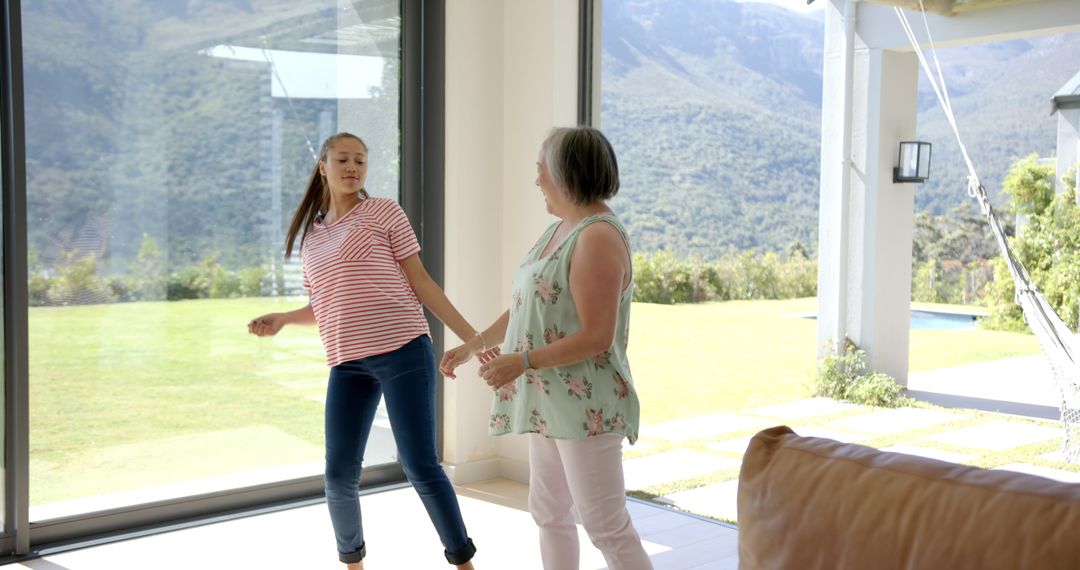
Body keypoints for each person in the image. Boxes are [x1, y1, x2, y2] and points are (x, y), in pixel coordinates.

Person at [248, 132, 479, 569]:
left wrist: (473, 337)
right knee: (338, 476)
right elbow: (323, 305)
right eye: (343, 160)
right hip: (347, 363)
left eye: (360, 160)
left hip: (404, 351)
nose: (352, 167)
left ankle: (463, 562)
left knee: (420, 466)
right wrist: (282, 319)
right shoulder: (312, 237)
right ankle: (353, 564)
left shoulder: (383, 212)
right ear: (323, 166)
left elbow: (422, 282)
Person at [440, 126, 652, 570]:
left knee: (605, 526)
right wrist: (472, 345)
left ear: (565, 172)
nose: (537, 180)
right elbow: (526, 309)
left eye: (541, 169)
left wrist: (523, 362)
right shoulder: (558, 231)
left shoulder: (598, 236)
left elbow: (597, 336)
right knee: (550, 513)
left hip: (585, 407)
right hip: (551, 400)